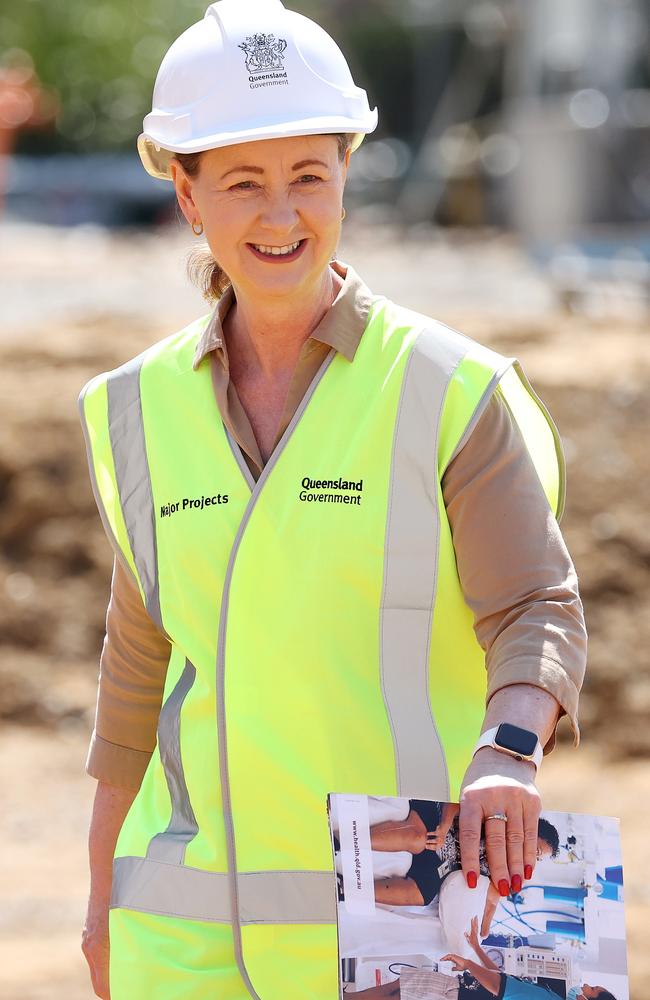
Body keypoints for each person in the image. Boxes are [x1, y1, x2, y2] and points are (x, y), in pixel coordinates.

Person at [78, 1, 587, 998]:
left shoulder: (450, 391)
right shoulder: (135, 410)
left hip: (416, 911)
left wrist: (508, 752)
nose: (281, 216)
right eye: (241, 184)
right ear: (185, 193)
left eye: (308, 176)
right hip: (185, 951)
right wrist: (100, 896)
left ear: (345, 173)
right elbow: (137, 670)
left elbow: (534, 606)